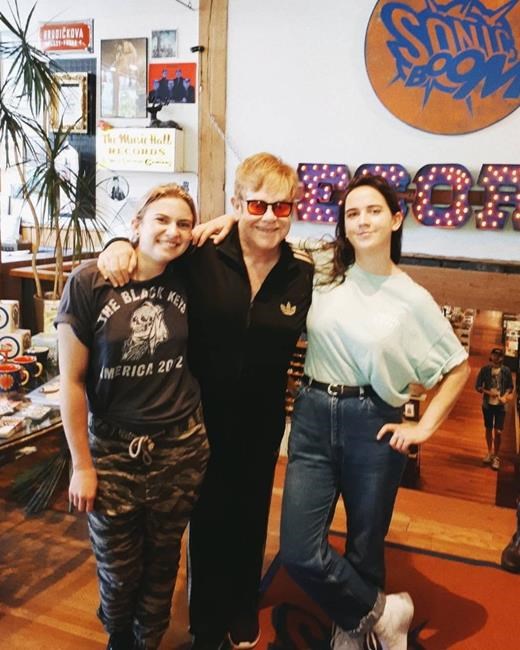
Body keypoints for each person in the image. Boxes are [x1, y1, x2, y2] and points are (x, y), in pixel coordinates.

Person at [97, 153, 314, 650]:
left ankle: (242, 603)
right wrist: (116, 244)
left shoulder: (300, 273)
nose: (269, 217)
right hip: (197, 416)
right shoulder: (201, 254)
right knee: (209, 518)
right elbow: (152, 250)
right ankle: (207, 622)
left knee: (251, 513)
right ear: (236, 203)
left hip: (262, 420)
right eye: (257, 205)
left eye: (282, 207)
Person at [278, 174, 470, 650]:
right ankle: (385, 612)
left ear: (396, 219)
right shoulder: (327, 268)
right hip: (312, 414)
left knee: (366, 543)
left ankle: (354, 626)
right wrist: (220, 221)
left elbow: (457, 367)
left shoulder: (412, 298)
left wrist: (423, 428)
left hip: (373, 421)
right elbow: (264, 234)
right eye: (352, 213)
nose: (362, 221)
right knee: (298, 549)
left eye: (373, 211)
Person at [56, 183, 209, 650]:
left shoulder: (189, 274)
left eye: (184, 223)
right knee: (118, 567)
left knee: (163, 561)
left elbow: (236, 229)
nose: (173, 231)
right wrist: (82, 465)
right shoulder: (89, 283)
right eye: (162, 219)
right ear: (137, 224)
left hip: (180, 446)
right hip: (112, 451)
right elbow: (71, 382)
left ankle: (149, 640)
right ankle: (120, 635)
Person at [475, 347, 514, 470]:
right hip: (487, 405)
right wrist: (488, 392)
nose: (496, 358)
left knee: (498, 431)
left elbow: (510, 387)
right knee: (488, 428)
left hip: (500, 407)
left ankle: (496, 456)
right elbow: (478, 386)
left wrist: (505, 397)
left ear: (502, 358)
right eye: (494, 355)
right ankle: (489, 452)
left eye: (498, 356)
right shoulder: (485, 370)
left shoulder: (506, 371)